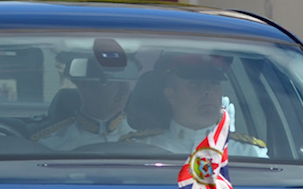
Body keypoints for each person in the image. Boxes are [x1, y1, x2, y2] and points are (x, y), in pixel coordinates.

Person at [124, 54, 268, 157]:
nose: (207, 92)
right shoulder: (138, 149)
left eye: (213, 84)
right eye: (195, 85)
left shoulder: (251, 153)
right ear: (171, 95)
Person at [35, 48, 139, 150]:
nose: (124, 91)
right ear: (85, 85)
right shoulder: (52, 146)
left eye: (126, 81)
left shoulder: (146, 140)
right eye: (109, 81)